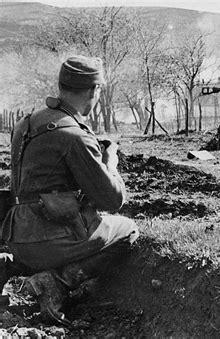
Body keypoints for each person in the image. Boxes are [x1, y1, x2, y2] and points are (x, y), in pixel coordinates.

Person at [0, 55, 139, 324]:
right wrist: (110, 164)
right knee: (127, 230)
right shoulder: (75, 135)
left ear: (61, 86)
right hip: (49, 241)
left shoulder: (25, 124)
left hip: (15, 236)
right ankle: (58, 283)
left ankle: (8, 265)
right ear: (93, 90)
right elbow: (113, 200)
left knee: (52, 237)